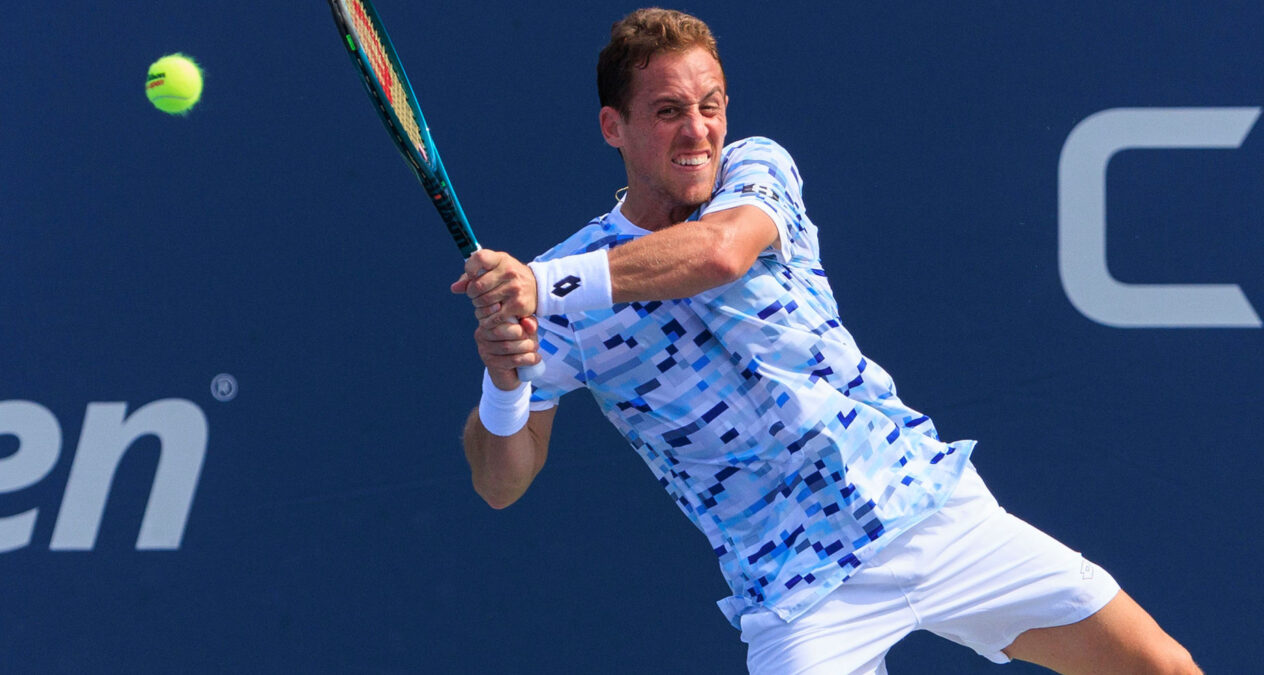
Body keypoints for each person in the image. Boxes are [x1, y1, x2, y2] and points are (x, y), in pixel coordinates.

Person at [451, 8, 1200, 674]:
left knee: (1158, 666)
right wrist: (504, 379)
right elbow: (499, 482)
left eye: (710, 106)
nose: (698, 130)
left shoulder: (754, 168)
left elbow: (719, 254)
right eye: (669, 110)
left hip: (928, 508)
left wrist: (545, 285)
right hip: (796, 594)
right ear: (614, 127)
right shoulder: (553, 301)